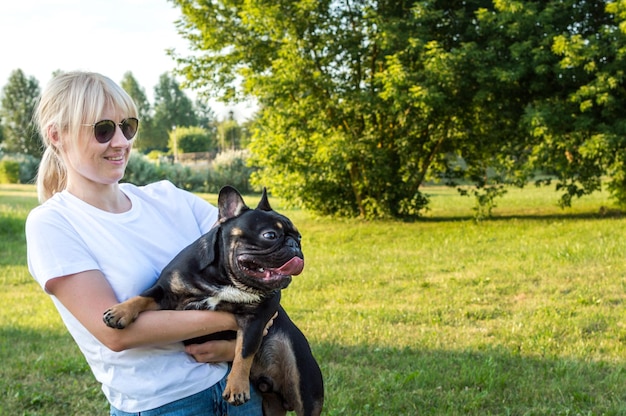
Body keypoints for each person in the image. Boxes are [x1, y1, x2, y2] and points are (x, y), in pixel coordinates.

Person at [25, 71, 268, 415]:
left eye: (128, 126)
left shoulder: (169, 198)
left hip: (239, 390)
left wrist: (239, 347)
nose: (121, 141)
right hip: (164, 406)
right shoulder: (53, 223)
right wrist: (241, 322)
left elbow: (261, 261)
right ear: (56, 136)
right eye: (103, 129)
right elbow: (116, 334)